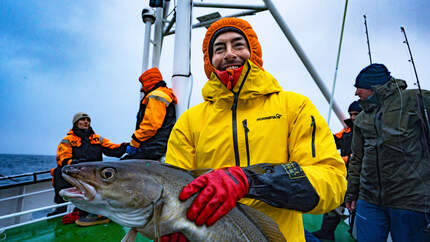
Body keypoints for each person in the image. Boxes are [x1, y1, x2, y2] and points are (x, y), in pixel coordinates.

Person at [163, 17, 347, 242]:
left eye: (238, 45)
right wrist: (169, 225)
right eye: (219, 49)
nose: (229, 54)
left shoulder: (294, 107)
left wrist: (252, 181)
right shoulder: (189, 122)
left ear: (254, 52)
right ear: (210, 60)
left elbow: (331, 181)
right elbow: (174, 188)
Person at [345, 63, 430, 241]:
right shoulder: (361, 118)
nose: (356, 93)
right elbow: (357, 158)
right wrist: (352, 193)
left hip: (410, 200)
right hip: (368, 199)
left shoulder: (415, 99)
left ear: (374, 87)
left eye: (359, 87)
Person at [49, 112, 127, 226]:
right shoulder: (68, 140)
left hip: (94, 175)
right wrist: (75, 163)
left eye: (88, 120)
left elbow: (113, 148)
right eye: (83, 120)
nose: (86, 122)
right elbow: (63, 158)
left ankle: (96, 210)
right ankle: (60, 208)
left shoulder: (97, 139)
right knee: (58, 173)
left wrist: (128, 146)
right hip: (77, 173)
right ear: (76, 123)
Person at [312, 100, 362, 241]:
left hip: (360, 176)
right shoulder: (346, 131)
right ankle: (326, 232)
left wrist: (343, 159)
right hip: (345, 174)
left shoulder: (366, 131)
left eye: (356, 114)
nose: (352, 117)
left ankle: (355, 234)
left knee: (357, 207)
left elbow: (363, 154)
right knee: (335, 201)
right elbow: (332, 141)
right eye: (351, 114)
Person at [122, 67, 177, 160]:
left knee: (124, 166)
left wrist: (135, 141)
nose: (142, 88)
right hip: (156, 145)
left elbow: (151, 125)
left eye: (143, 84)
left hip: (153, 146)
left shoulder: (156, 96)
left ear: (148, 82)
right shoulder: (162, 93)